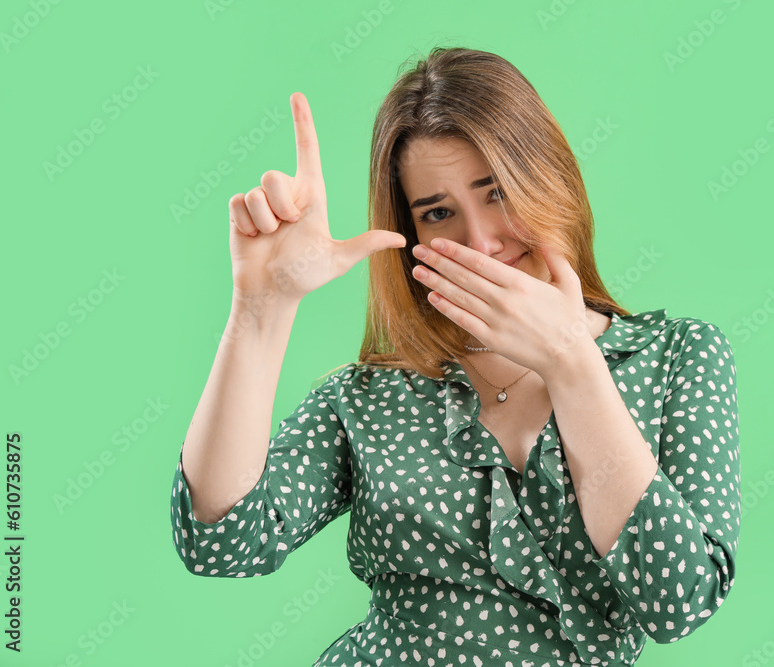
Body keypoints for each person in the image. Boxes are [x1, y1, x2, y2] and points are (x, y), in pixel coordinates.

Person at [169, 46, 742, 667]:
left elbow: (679, 601)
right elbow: (222, 541)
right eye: (438, 212)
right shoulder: (368, 396)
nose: (481, 241)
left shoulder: (676, 357)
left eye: (496, 192)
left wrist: (571, 360)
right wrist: (261, 310)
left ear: (548, 180)